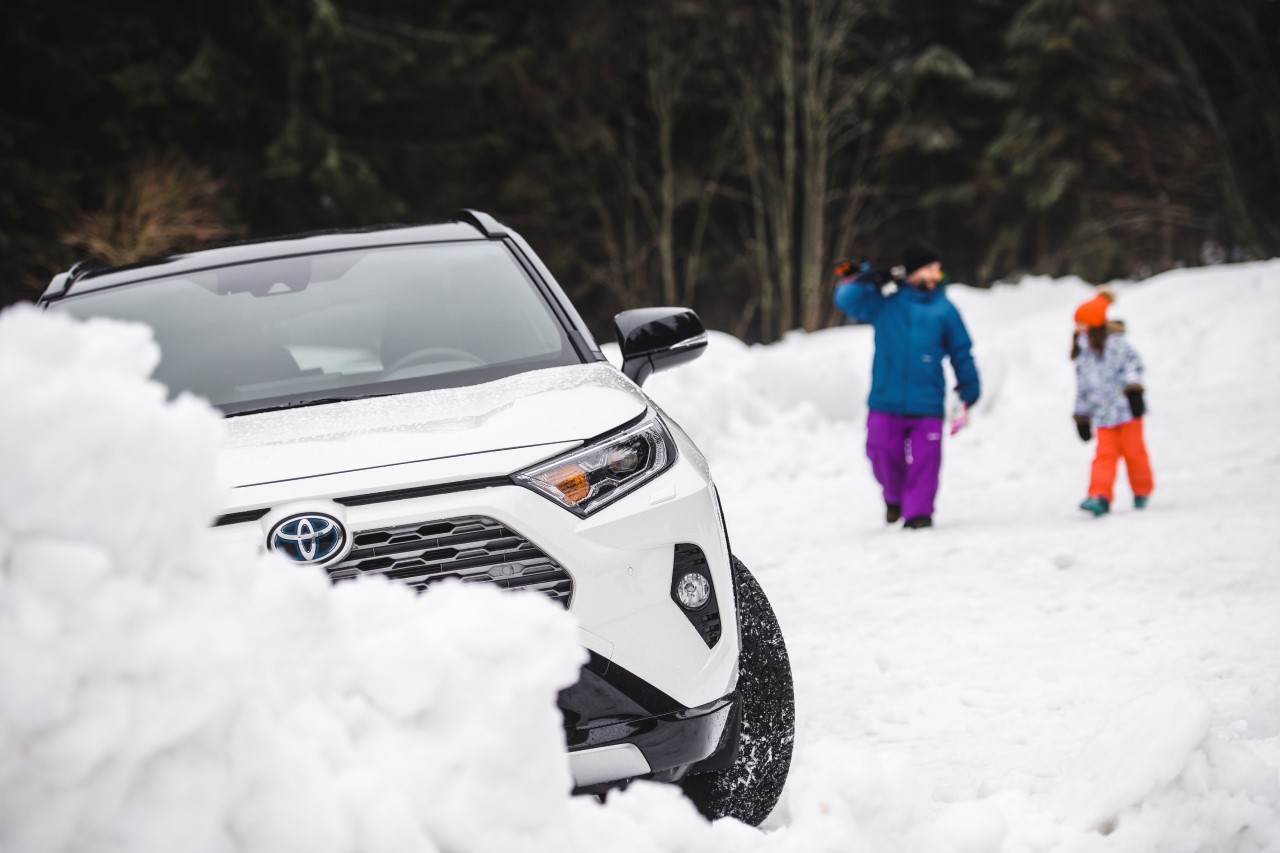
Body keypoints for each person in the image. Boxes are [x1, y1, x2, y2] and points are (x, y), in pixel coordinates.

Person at [832, 237, 981, 529]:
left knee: (926, 460)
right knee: (880, 452)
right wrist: (868, 276)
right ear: (913, 270)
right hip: (885, 398)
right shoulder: (886, 303)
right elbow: (846, 300)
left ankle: (918, 514)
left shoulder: (945, 310)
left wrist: (969, 385)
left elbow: (961, 351)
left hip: (927, 401)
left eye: (937, 269)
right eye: (929, 268)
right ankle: (895, 498)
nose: (935, 275)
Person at [1072, 313, 1154, 516]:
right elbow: (1083, 388)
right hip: (1103, 416)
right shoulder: (1083, 353)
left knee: (1134, 453)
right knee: (1104, 456)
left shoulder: (1118, 344)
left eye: (1082, 323)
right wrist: (1082, 416)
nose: (1078, 328)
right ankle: (1099, 496)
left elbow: (1133, 366)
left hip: (1127, 410)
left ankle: (1142, 489)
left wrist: (1134, 390)